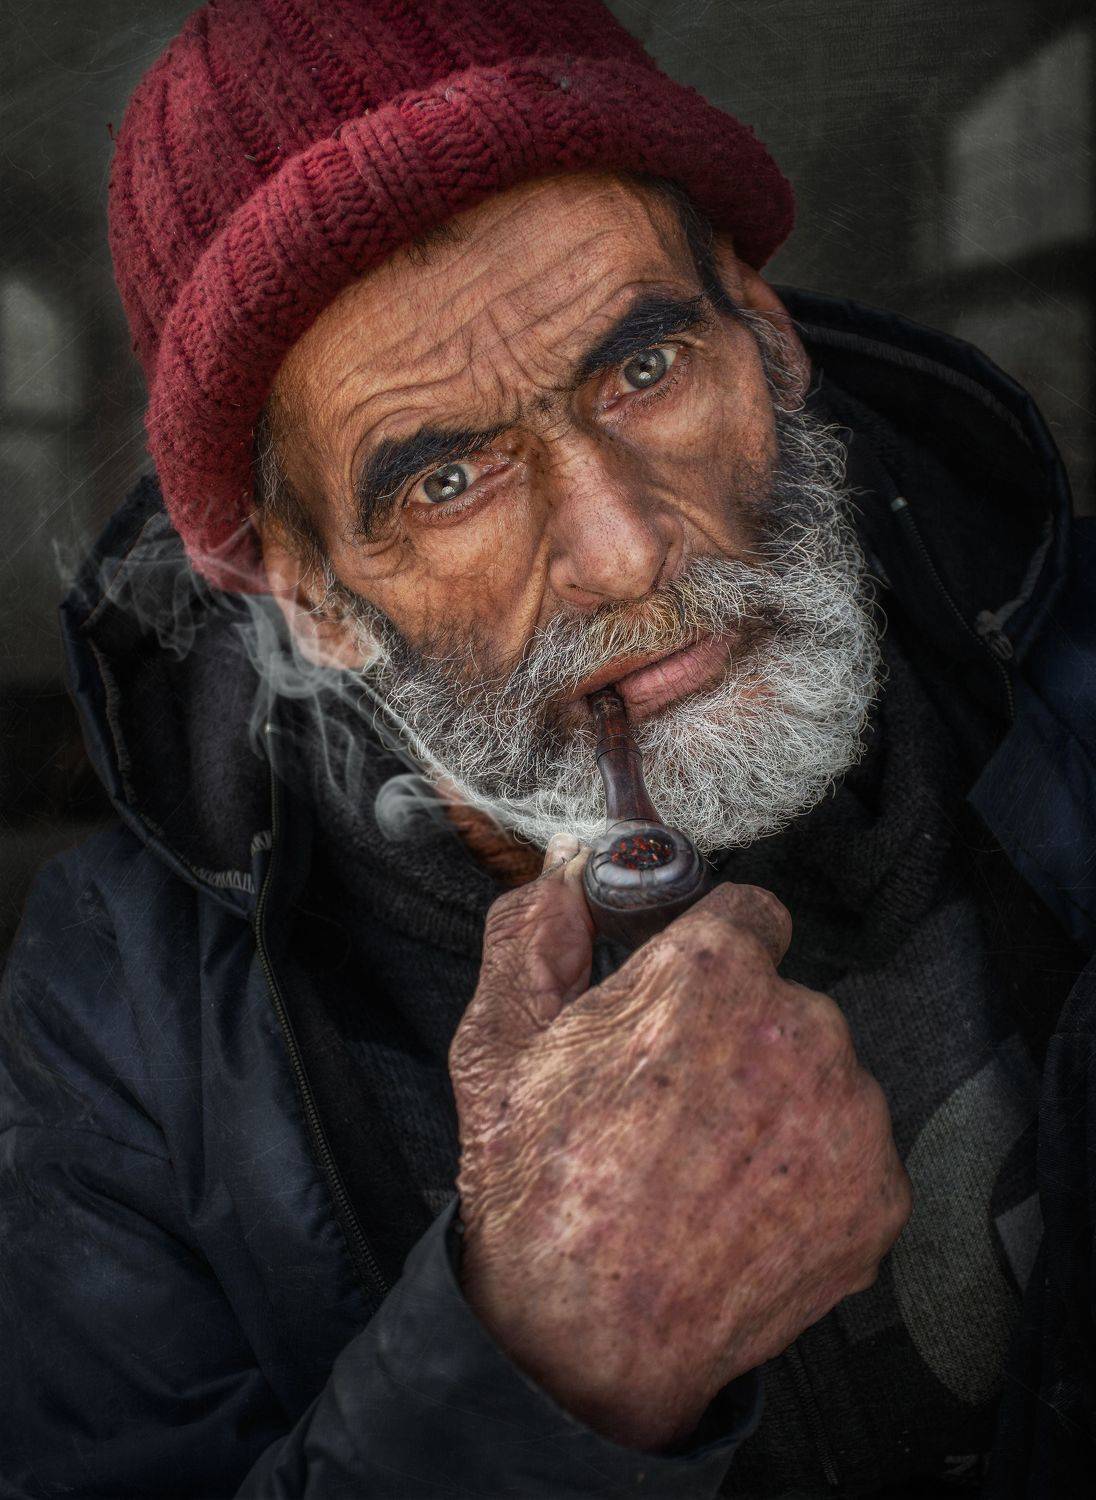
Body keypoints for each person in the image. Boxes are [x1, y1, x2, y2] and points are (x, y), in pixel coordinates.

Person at [1, 1, 1093, 1496]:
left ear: (766, 341)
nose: (625, 549)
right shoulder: (119, 1013)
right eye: (448, 478)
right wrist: (556, 1364)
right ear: (312, 597)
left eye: (644, 375)